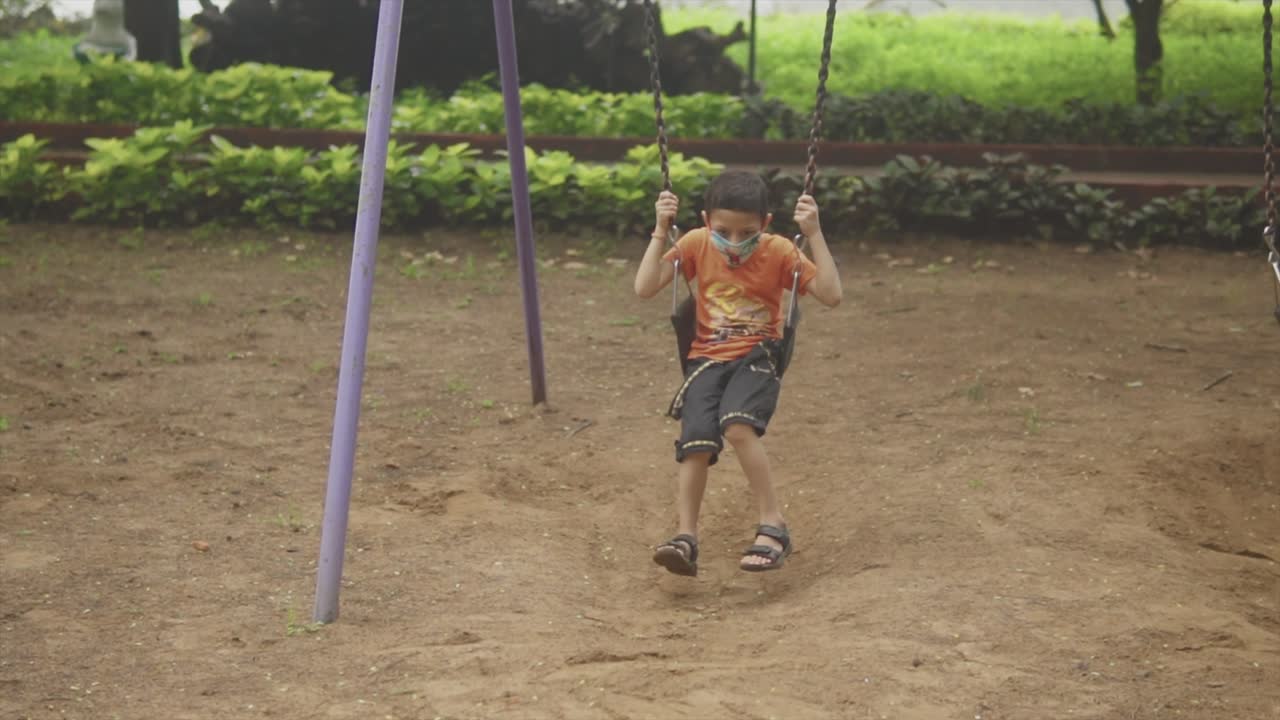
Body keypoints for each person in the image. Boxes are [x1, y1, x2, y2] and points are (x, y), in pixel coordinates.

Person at [633, 169, 843, 575]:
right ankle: (686, 537)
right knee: (695, 442)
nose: (733, 242)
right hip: (706, 358)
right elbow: (645, 287)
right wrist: (661, 229)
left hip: (757, 355)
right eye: (722, 230)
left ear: (764, 224)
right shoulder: (695, 243)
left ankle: (773, 525)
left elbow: (831, 295)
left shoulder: (779, 251)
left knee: (737, 427)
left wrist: (814, 233)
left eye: (746, 231)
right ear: (706, 221)